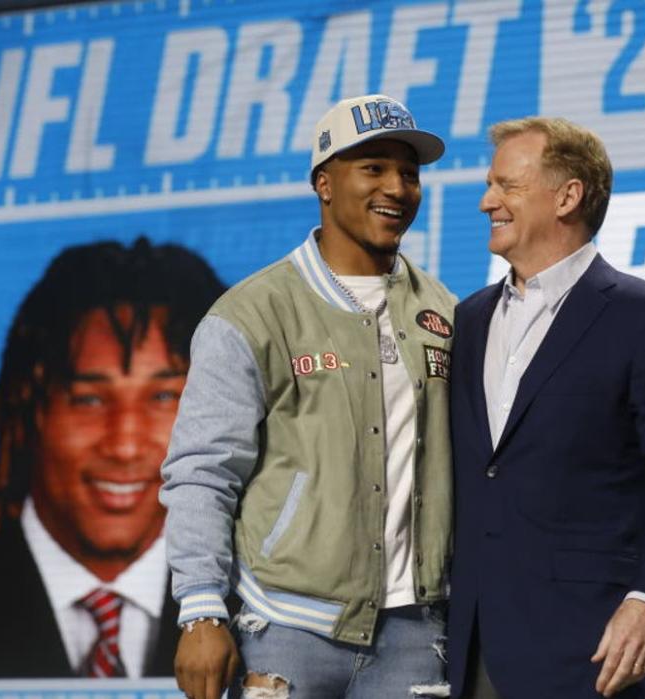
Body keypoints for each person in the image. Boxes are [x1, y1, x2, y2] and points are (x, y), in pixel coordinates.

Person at [160, 94, 456, 699]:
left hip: (414, 633)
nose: (397, 188)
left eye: (409, 173)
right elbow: (203, 473)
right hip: (286, 630)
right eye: (373, 168)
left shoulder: (443, 311)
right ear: (324, 182)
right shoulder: (252, 313)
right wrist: (200, 610)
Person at [445, 116, 645, 698]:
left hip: (590, 648)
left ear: (568, 196)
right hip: (472, 646)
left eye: (506, 186)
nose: (486, 201)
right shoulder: (467, 321)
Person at [0, 238, 226, 679]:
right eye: (88, 400)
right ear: (30, 407)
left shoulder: (266, 607)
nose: (124, 445)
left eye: (164, 397)